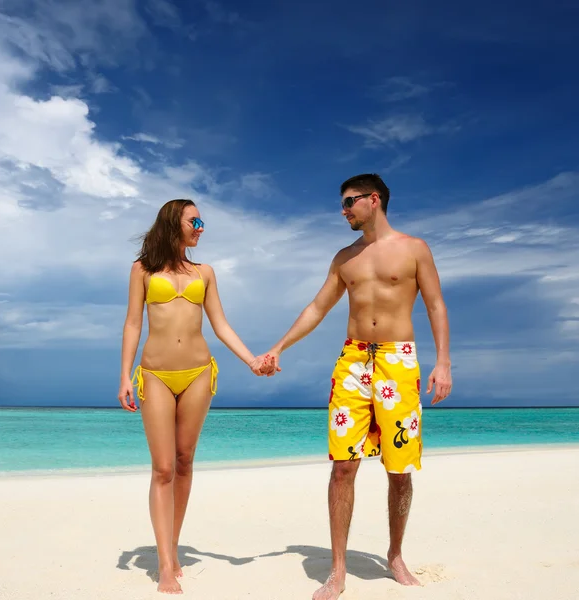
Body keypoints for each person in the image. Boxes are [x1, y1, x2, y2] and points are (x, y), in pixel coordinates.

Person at [258, 173, 452, 599]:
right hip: (353, 361)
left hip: (399, 362)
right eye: (342, 203)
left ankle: (396, 554)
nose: (343, 210)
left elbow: (436, 303)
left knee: (399, 470)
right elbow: (317, 307)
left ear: (374, 199)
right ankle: (339, 570)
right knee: (343, 465)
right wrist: (279, 347)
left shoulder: (414, 249)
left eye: (349, 202)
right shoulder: (345, 257)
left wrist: (443, 362)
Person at [117, 199, 273, 595]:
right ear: (174, 224)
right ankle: (165, 566)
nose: (201, 228)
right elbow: (133, 322)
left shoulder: (205, 272)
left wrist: (252, 360)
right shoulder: (142, 270)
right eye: (195, 221)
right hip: (154, 375)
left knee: (185, 463)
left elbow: (220, 324)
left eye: (202, 221)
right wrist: (123, 376)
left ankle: (171, 546)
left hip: (199, 373)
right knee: (163, 468)